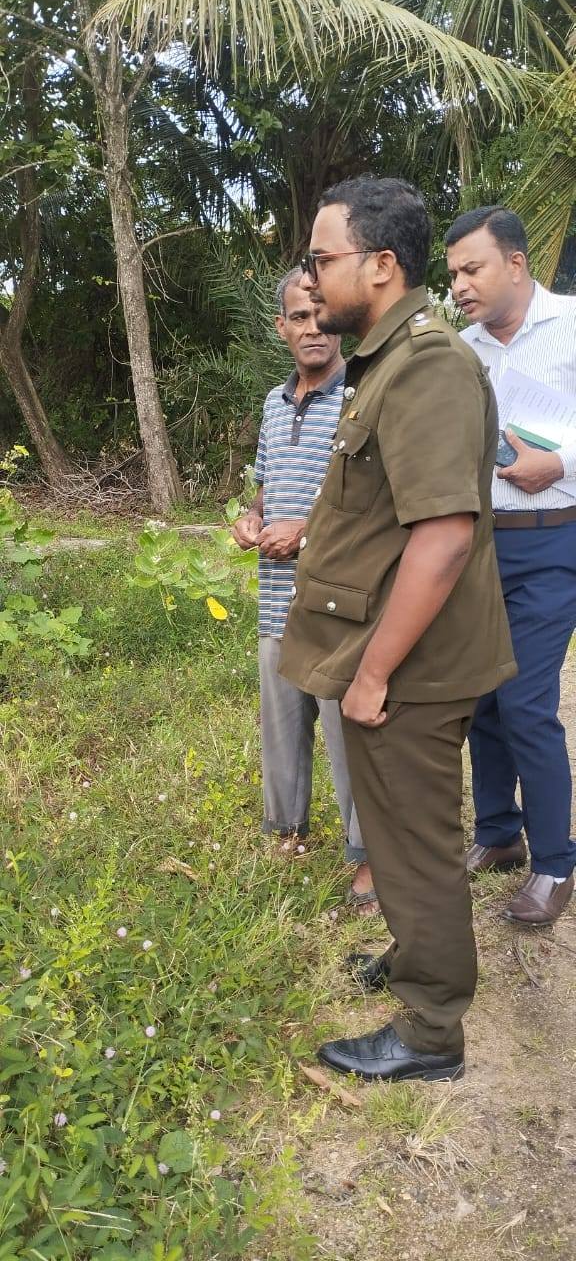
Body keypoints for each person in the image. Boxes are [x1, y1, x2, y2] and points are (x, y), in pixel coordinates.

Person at [279, 176, 516, 1083]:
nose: (309, 278)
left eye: (321, 258)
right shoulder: (386, 360)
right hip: (388, 651)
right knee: (391, 823)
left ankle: (430, 1030)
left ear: (381, 265)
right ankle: (416, 954)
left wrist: (374, 672)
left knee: (416, 843)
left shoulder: (426, 365)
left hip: (411, 665)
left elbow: (444, 535)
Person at [232, 268, 377, 913]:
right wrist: (253, 519)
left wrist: (307, 534)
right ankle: (285, 831)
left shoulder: (361, 395)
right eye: (298, 317)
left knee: (347, 732)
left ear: (337, 320)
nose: (312, 328)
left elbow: (370, 501)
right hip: (275, 596)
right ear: (281, 327)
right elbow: (266, 487)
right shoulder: (273, 402)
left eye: (321, 315)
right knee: (282, 724)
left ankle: (367, 853)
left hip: (338, 599)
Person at [446, 206, 576, 925]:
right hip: (477, 542)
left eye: (472, 269)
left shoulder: (572, 325)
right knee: (483, 697)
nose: (459, 285)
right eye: (453, 275)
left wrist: (561, 463)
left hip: (553, 539)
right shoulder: (461, 350)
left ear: (517, 264)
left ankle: (555, 862)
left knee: (526, 701)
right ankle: (499, 833)